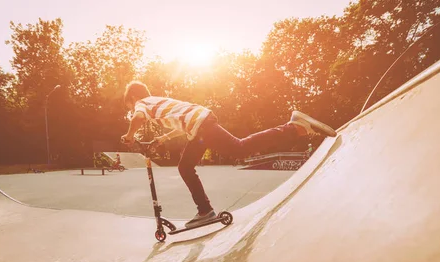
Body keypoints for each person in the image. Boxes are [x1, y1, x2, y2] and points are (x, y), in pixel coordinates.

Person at [121, 81, 337, 227]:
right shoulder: (157, 102)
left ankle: (292, 127)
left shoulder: (142, 104)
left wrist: (130, 135)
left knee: (239, 148)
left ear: (132, 97)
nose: (131, 109)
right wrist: (162, 139)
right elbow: (180, 124)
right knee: (185, 166)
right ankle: (205, 211)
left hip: (200, 126)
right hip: (198, 126)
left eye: (129, 105)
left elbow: (138, 117)